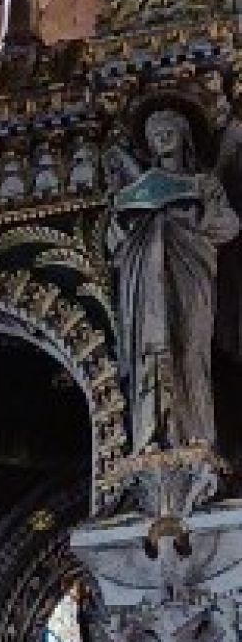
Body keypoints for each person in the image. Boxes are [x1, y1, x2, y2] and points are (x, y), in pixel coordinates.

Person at [108, 107, 239, 451]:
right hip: (145, 283)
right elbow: (115, 240)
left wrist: (194, 220)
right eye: (155, 134)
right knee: (152, 352)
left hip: (191, 273)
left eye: (168, 130)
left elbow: (228, 225)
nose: (162, 138)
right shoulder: (141, 187)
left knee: (191, 349)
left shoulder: (203, 182)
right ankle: (155, 433)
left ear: (184, 137)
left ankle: (197, 435)